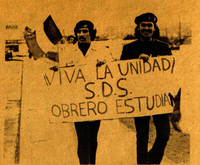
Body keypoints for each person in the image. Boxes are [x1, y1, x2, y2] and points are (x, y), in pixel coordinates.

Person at [120, 13, 181, 164]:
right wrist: (136, 62)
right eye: (143, 25)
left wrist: (175, 103)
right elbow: (121, 74)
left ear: (154, 28)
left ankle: (151, 160)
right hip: (139, 99)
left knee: (164, 134)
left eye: (149, 25)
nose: (146, 28)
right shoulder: (128, 48)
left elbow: (171, 73)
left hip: (159, 98)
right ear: (138, 28)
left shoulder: (163, 47)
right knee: (142, 137)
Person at [63, 20, 113, 165]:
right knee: (82, 138)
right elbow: (62, 74)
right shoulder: (68, 53)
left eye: (85, 31)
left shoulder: (102, 51)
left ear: (92, 33)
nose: (82, 34)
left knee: (93, 138)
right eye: (79, 31)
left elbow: (113, 71)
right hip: (77, 102)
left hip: (95, 102)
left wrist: (104, 66)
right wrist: (56, 71)